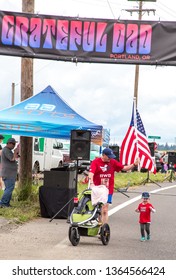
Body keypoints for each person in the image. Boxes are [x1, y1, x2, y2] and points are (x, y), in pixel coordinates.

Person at [89, 147, 140, 224]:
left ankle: (104, 228)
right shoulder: (96, 162)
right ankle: (99, 224)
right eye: (108, 157)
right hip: (98, 189)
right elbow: (91, 173)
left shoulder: (113, 162)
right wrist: (91, 182)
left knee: (105, 209)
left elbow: (124, 168)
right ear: (104, 155)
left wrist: (134, 164)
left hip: (108, 190)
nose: (110, 158)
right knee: (98, 209)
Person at [0, 138, 18, 208]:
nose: (14, 146)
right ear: (9, 143)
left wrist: (16, 154)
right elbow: (12, 159)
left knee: (9, 188)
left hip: (9, 173)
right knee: (9, 188)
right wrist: (15, 151)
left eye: (15, 144)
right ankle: (3, 203)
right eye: (13, 144)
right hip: (8, 174)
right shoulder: (6, 150)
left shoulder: (8, 150)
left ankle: (6, 203)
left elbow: (14, 157)